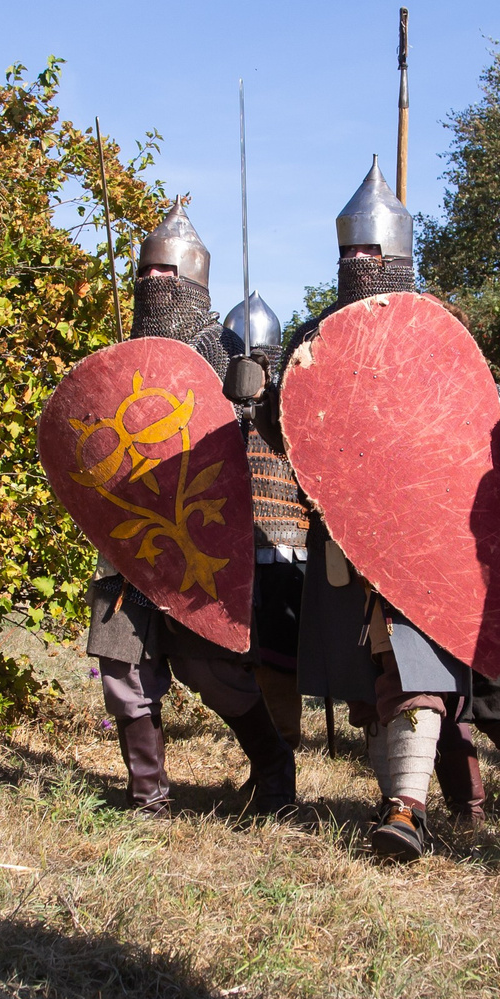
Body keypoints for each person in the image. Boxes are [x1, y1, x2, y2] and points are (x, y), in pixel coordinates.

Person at [256, 161, 500, 861]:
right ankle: (419, 806)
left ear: (396, 258)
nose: (356, 264)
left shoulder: (435, 329)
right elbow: (291, 434)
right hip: (350, 543)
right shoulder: (315, 340)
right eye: (347, 252)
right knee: (380, 684)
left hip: (431, 535)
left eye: (369, 252)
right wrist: (262, 400)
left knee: (464, 684)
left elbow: (479, 412)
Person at [84, 207, 296, 817]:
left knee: (215, 672)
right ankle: (148, 795)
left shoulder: (224, 346)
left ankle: (273, 765)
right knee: (123, 667)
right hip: (129, 534)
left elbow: (258, 440)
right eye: (145, 269)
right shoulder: (122, 354)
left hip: (200, 530)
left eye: (165, 272)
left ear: (194, 283)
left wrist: (254, 398)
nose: (153, 279)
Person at [224, 290, 311, 751]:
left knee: (278, 658)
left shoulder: (286, 402)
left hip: (285, 541)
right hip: (235, 546)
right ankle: (269, 756)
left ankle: (285, 749)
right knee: (245, 657)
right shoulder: (217, 404)